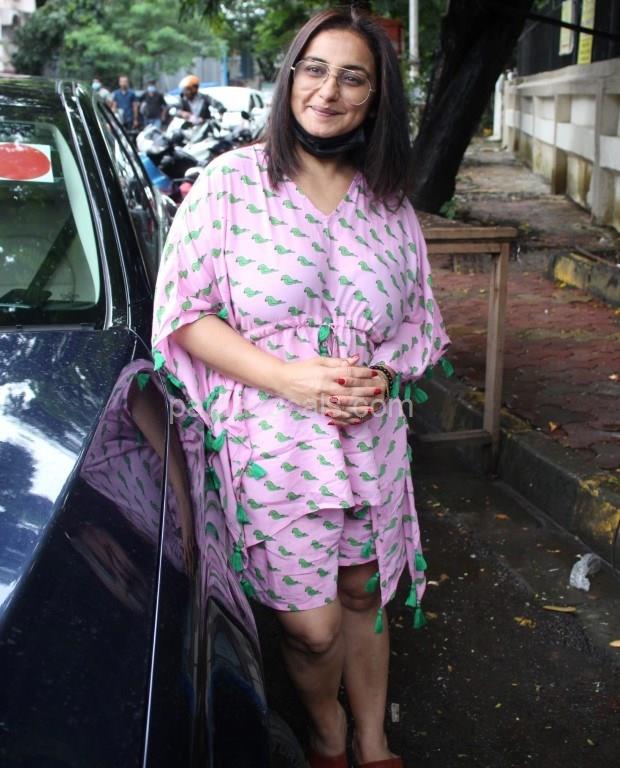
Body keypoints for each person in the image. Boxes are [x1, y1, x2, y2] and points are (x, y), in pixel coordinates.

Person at [152, 7, 450, 768]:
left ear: (375, 98)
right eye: (314, 70)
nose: (328, 90)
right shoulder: (230, 184)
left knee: (363, 593)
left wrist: (385, 373)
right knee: (310, 627)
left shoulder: (388, 203)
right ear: (289, 79)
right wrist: (288, 379)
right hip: (272, 442)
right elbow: (185, 313)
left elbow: (419, 322)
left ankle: (372, 741)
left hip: (368, 436)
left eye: (353, 77)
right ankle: (325, 728)